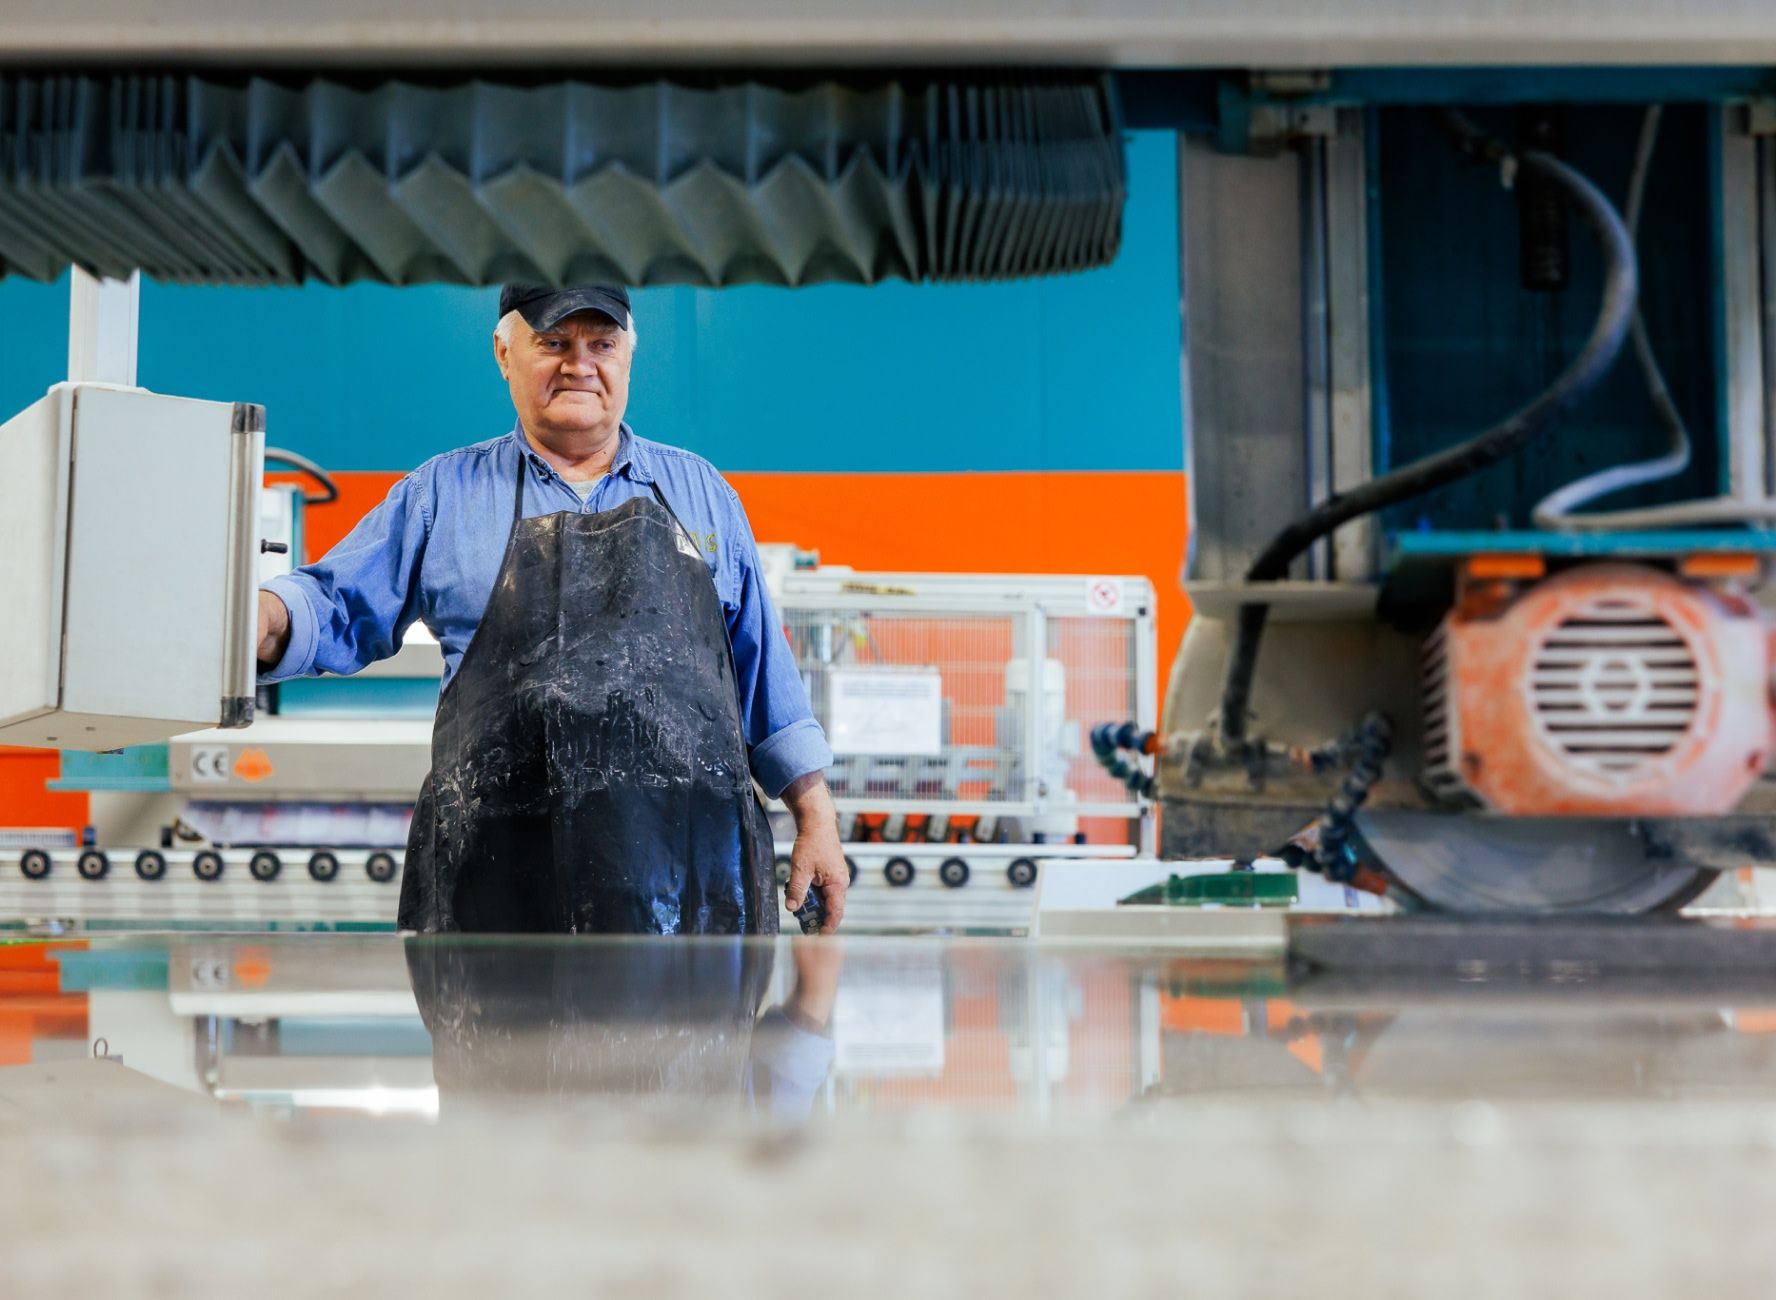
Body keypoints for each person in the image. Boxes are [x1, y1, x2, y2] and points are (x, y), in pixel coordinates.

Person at [254, 283, 847, 934]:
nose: (580, 364)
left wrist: (815, 816)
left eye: (602, 344)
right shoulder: (441, 495)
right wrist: (261, 615)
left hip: (693, 893)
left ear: (629, 356)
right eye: (554, 343)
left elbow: (763, 677)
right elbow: (333, 602)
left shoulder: (704, 493)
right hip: (495, 895)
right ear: (503, 354)